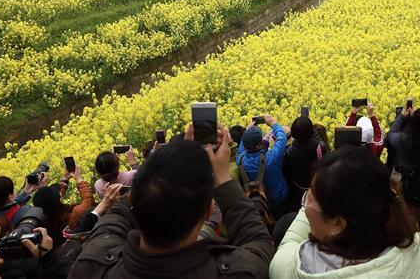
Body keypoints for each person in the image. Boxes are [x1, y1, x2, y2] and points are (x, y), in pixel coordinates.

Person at [70, 126, 274, 278]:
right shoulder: (241, 272)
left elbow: (113, 222)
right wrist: (222, 177)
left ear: (135, 201)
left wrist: (164, 170)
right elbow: (258, 240)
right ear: (209, 210)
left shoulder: (91, 268)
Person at [268, 147, 420, 279]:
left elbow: (288, 246)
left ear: (338, 223)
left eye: (309, 198)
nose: (305, 206)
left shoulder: (292, 269)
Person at [236, 114, 289, 216]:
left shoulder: (240, 159)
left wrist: (248, 131)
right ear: (259, 143)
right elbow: (282, 138)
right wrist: (273, 123)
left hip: (255, 204)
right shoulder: (271, 158)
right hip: (278, 202)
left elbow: (242, 145)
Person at [31, 164, 94, 248]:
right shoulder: (73, 216)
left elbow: (54, 198)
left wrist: (65, 178)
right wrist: (79, 179)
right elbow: (88, 201)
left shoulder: (45, 219)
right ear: (60, 199)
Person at [282, 116, 325, 212]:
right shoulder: (320, 147)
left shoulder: (288, 151)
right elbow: (320, 140)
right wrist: (312, 130)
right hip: (315, 185)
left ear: (293, 135)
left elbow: (287, 173)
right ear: (312, 132)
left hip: (297, 187)